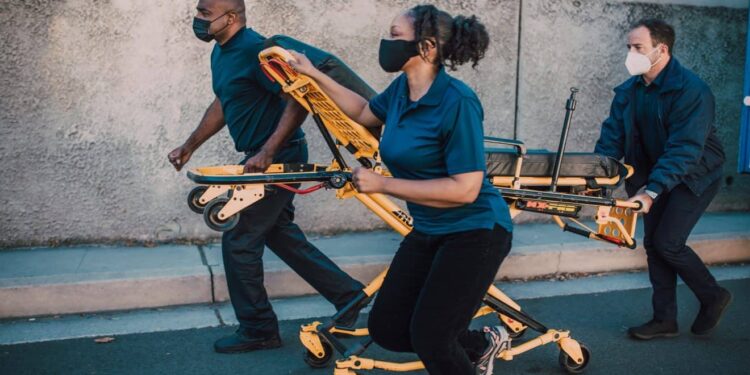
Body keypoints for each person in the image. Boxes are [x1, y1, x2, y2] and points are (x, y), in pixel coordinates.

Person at [290, 5, 514, 374]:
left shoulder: (457, 101)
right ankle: (483, 343)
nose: (386, 42)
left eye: (395, 36)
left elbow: (466, 189)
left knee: (432, 339)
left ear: (425, 48)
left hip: (475, 231)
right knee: (388, 329)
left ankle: (465, 356)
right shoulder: (401, 90)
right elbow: (363, 113)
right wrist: (313, 75)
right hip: (429, 228)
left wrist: (383, 184)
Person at [167, 0, 365, 353]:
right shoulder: (222, 53)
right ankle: (348, 295)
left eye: (204, 14)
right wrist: (189, 145)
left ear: (231, 18)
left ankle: (259, 329)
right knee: (280, 235)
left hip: (277, 160)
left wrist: (269, 151)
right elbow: (223, 103)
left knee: (240, 239)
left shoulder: (257, 52)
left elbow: (299, 99)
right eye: (197, 11)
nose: (196, 20)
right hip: (260, 159)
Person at [595, 18, 731, 340]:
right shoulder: (629, 91)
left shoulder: (692, 91)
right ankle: (664, 320)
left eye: (638, 47)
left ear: (662, 49)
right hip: (656, 176)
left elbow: (685, 149)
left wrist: (652, 191)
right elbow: (610, 142)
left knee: (668, 243)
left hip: (694, 174)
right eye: (628, 47)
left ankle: (712, 295)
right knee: (654, 247)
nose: (631, 53)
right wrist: (593, 180)